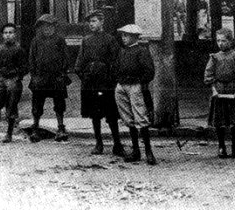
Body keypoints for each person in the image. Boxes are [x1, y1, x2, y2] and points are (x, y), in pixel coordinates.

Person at [75, 10, 124, 156]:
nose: (91, 24)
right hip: (91, 82)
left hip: (106, 82)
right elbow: (80, 61)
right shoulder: (86, 40)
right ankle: (99, 143)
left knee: (111, 114)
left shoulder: (110, 40)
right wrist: (83, 75)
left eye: (94, 21)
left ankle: (117, 144)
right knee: (94, 114)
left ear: (102, 22)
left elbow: (117, 61)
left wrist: (111, 78)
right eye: (90, 22)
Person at [114, 24, 158, 165]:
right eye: (122, 35)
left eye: (126, 35)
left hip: (135, 87)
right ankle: (135, 151)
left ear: (134, 37)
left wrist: (139, 83)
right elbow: (116, 67)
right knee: (128, 119)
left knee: (141, 118)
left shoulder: (142, 51)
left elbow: (149, 72)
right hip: (122, 86)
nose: (123, 38)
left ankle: (148, 152)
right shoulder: (122, 51)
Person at [204, 27, 235, 158]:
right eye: (218, 41)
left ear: (230, 41)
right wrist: (214, 90)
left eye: (223, 41)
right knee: (220, 120)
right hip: (219, 90)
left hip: (233, 89)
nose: (220, 43)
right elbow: (208, 75)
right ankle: (221, 146)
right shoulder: (214, 57)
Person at [28, 14, 71, 143]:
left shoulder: (60, 40)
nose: (47, 29)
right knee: (37, 104)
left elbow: (66, 58)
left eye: (50, 26)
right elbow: (31, 59)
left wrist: (62, 73)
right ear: (40, 28)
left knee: (59, 104)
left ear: (54, 27)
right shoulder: (36, 41)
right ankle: (35, 128)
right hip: (40, 78)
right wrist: (34, 75)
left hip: (56, 78)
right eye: (44, 26)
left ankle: (61, 128)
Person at [0, 23, 28, 143]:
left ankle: (9, 133)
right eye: (6, 33)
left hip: (13, 81)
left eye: (11, 33)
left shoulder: (19, 50)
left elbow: (25, 67)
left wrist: (17, 76)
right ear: (2, 35)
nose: (8, 35)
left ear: (15, 34)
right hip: (0, 80)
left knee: (11, 105)